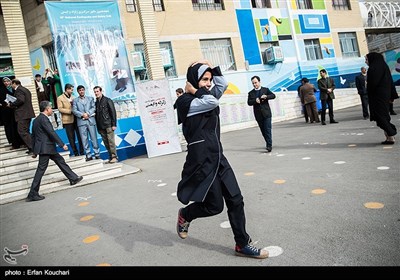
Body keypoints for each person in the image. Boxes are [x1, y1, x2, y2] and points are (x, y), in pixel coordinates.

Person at [175, 60, 268, 259]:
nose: (209, 84)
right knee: (214, 206)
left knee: (236, 199)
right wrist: (194, 90)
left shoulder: (205, 95)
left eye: (209, 80)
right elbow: (211, 102)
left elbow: (222, 85)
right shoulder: (185, 102)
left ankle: (242, 244)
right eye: (204, 79)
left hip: (219, 158)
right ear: (192, 80)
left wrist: (212, 67)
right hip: (202, 161)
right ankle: (186, 214)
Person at [27, 101, 83, 202]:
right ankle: (33, 193)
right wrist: (62, 144)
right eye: (50, 108)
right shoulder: (44, 119)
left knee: (60, 161)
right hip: (46, 148)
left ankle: (73, 178)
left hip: (46, 148)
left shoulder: (36, 120)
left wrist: (35, 151)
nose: (52, 110)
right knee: (41, 170)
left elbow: (34, 136)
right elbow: (51, 132)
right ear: (46, 109)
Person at [365, 52, 397, 144]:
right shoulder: (384, 66)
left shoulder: (373, 69)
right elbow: (391, 82)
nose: (366, 61)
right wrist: (392, 95)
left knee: (381, 117)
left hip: (378, 97)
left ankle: (391, 133)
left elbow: (372, 84)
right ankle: (389, 137)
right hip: (385, 96)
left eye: (367, 59)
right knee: (384, 117)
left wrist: (368, 86)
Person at [247, 75, 276, 152]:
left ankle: (269, 145)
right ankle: (267, 142)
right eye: (253, 83)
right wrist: (254, 101)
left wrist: (266, 96)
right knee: (263, 130)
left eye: (256, 82)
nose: (254, 84)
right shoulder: (251, 93)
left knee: (267, 129)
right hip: (258, 115)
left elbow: (273, 96)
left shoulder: (265, 90)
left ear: (259, 82)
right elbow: (249, 103)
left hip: (267, 114)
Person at [72, 85, 100, 161]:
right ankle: (88, 155)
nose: (81, 91)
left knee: (94, 138)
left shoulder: (90, 98)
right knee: (84, 140)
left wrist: (87, 113)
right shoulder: (75, 100)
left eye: (83, 90)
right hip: (81, 122)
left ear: (84, 90)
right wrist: (82, 115)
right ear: (78, 91)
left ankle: (97, 154)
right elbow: (74, 110)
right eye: (80, 90)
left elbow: (93, 108)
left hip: (91, 120)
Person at [9, 79, 35, 154]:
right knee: (25, 131)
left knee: (22, 131)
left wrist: (11, 104)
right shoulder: (25, 89)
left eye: (11, 84)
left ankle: (33, 148)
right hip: (27, 114)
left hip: (23, 115)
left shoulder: (19, 90)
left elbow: (21, 100)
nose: (11, 86)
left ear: (14, 83)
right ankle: (32, 147)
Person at [57, 83, 84, 156]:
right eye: (71, 90)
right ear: (67, 89)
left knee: (80, 136)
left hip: (76, 119)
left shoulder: (74, 97)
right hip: (67, 120)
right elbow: (60, 109)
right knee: (71, 138)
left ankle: (82, 151)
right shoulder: (60, 98)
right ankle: (75, 153)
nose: (72, 91)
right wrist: (70, 111)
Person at [94, 86, 118, 163]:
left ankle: (114, 157)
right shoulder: (96, 103)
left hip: (108, 125)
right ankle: (110, 157)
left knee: (111, 142)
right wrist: (98, 127)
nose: (96, 93)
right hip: (101, 126)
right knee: (106, 143)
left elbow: (113, 112)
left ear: (101, 91)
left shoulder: (108, 100)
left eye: (97, 91)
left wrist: (114, 124)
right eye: (95, 92)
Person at [0, 77, 22, 149]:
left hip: (15, 110)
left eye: (7, 81)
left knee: (17, 126)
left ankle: (21, 142)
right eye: (4, 82)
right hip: (6, 111)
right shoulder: (1, 90)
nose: (6, 83)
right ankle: (14, 143)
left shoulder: (15, 89)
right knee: (10, 127)